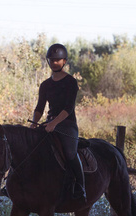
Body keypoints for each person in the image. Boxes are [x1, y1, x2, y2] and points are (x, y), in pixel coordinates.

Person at [30, 43, 86, 201]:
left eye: (58, 60)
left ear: (64, 61)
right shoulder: (45, 85)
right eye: (52, 60)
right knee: (30, 146)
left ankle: (81, 187)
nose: (54, 63)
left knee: (69, 152)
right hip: (48, 124)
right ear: (48, 61)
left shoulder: (71, 82)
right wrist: (34, 123)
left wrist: (54, 123)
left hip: (67, 124)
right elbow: (39, 108)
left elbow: (69, 108)